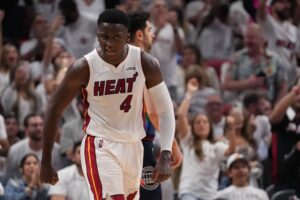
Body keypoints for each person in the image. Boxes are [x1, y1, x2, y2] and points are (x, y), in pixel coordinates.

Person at [40, 9, 175, 200]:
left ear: (127, 37)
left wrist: (167, 154)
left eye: (116, 37)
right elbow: (54, 109)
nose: (109, 43)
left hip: (133, 146)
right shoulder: (84, 67)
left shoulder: (145, 63)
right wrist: (45, 161)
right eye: (104, 37)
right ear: (97, 36)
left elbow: (165, 110)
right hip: (100, 145)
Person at [128, 11, 183, 200]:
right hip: (140, 144)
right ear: (139, 35)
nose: (153, 35)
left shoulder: (110, 64)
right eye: (150, 30)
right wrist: (172, 147)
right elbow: (153, 111)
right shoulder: (147, 62)